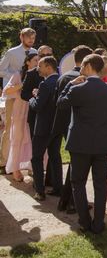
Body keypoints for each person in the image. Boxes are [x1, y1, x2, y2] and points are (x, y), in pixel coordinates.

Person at [57, 54, 107, 234]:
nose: (81, 68)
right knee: (100, 185)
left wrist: (70, 84)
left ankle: (85, 221)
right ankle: (98, 223)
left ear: (89, 66)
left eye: (83, 65)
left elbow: (60, 104)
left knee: (78, 182)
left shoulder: (78, 89)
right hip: (102, 143)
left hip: (80, 143)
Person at [51, 45, 93, 213]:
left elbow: (57, 101)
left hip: (63, 125)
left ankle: (65, 201)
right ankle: (72, 203)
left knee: (74, 167)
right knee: (78, 169)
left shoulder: (64, 77)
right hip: (77, 127)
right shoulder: (83, 80)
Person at [0, 27, 36, 173]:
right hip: (13, 95)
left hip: (28, 97)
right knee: (9, 129)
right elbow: (1, 69)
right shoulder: (12, 52)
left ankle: (23, 162)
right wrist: (16, 76)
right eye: (29, 38)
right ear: (21, 37)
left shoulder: (36, 52)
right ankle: (3, 162)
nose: (31, 40)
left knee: (25, 131)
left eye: (33, 38)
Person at [29, 56, 60, 201]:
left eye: (40, 66)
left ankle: (40, 191)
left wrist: (33, 97)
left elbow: (38, 106)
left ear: (48, 67)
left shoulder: (45, 84)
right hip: (57, 126)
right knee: (55, 157)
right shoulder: (61, 81)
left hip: (43, 128)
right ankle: (58, 187)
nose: (37, 69)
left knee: (36, 158)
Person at [3, 52, 38, 181]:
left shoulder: (39, 75)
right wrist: (23, 84)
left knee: (31, 139)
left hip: (33, 110)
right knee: (17, 139)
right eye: (35, 60)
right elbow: (6, 91)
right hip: (20, 110)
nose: (37, 62)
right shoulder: (19, 75)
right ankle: (15, 169)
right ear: (28, 62)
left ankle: (31, 167)